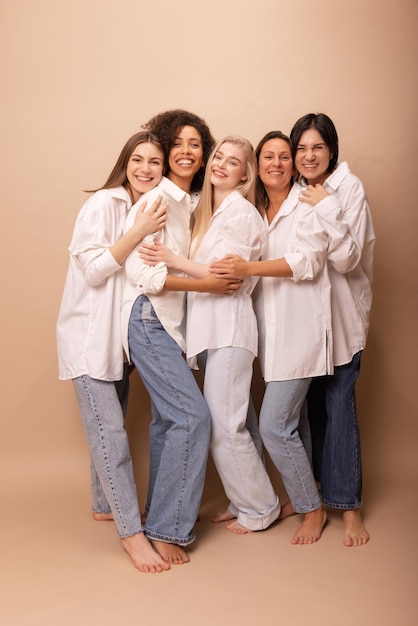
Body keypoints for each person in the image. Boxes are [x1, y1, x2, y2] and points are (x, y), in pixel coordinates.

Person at [210, 130, 360, 544]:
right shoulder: (256, 209)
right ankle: (300, 493)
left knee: (276, 425)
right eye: (268, 157)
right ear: (257, 166)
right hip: (266, 334)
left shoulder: (308, 203)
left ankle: (313, 511)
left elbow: (308, 263)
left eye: (283, 157)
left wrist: (247, 269)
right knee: (293, 425)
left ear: (293, 165)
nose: (276, 163)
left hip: (302, 332)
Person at [140, 136, 281, 534]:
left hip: (230, 331)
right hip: (212, 332)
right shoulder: (210, 210)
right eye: (218, 156)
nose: (220, 164)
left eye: (232, 162)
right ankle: (243, 500)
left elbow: (226, 274)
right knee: (233, 422)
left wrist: (171, 259)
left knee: (225, 426)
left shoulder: (240, 213)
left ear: (244, 174)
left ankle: (260, 508)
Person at [121, 111, 241, 564]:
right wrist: (207, 284)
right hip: (149, 319)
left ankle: (157, 517)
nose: (188, 151)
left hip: (169, 326)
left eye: (196, 144)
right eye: (179, 144)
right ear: (166, 150)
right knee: (192, 418)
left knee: (167, 423)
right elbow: (144, 274)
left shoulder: (192, 202)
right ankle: (168, 530)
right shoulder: (156, 202)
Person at [56, 131, 172, 573]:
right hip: (88, 340)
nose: (145, 168)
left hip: (116, 342)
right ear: (125, 162)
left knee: (111, 428)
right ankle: (131, 534)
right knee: (112, 437)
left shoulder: (143, 206)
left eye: (154, 162)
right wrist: (139, 232)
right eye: (138, 159)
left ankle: (106, 505)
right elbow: (94, 270)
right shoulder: (105, 204)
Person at [290, 113, 375, 547]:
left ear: (331, 150)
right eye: (301, 148)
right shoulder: (296, 189)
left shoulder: (347, 189)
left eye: (317, 148)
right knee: (312, 409)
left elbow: (347, 260)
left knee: (340, 406)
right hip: (307, 322)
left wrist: (326, 206)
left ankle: (349, 508)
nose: (308, 156)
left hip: (341, 321)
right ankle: (317, 497)